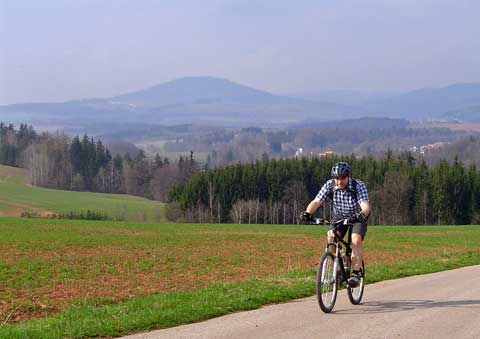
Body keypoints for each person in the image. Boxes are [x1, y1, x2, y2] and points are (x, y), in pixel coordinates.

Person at [300, 161, 370, 287]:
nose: (339, 181)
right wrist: (307, 213)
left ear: (349, 176)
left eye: (343, 178)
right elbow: (317, 201)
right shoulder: (330, 185)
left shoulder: (358, 185)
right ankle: (337, 270)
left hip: (357, 217)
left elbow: (365, 206)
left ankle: (356, 273)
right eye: (337, 178)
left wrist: (361, 214)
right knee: (331, 238)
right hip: (339, 217)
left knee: (355, 240)